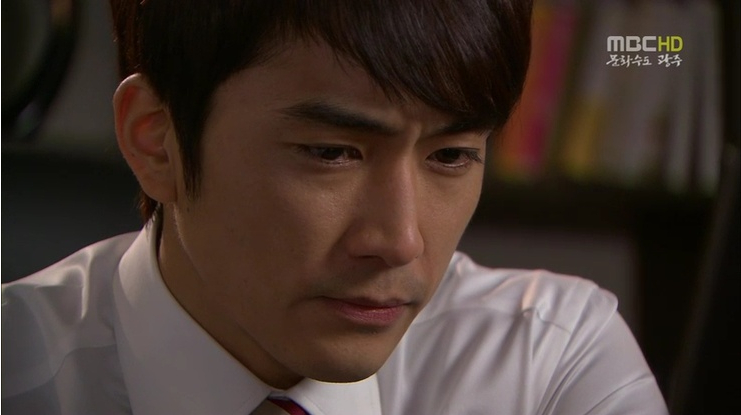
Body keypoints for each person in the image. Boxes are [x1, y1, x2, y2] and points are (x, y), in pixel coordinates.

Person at [1, 1, 669, 414]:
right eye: (331, 152)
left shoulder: (544, 364)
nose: (400, 240)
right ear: (158, 140)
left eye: (450, 155)